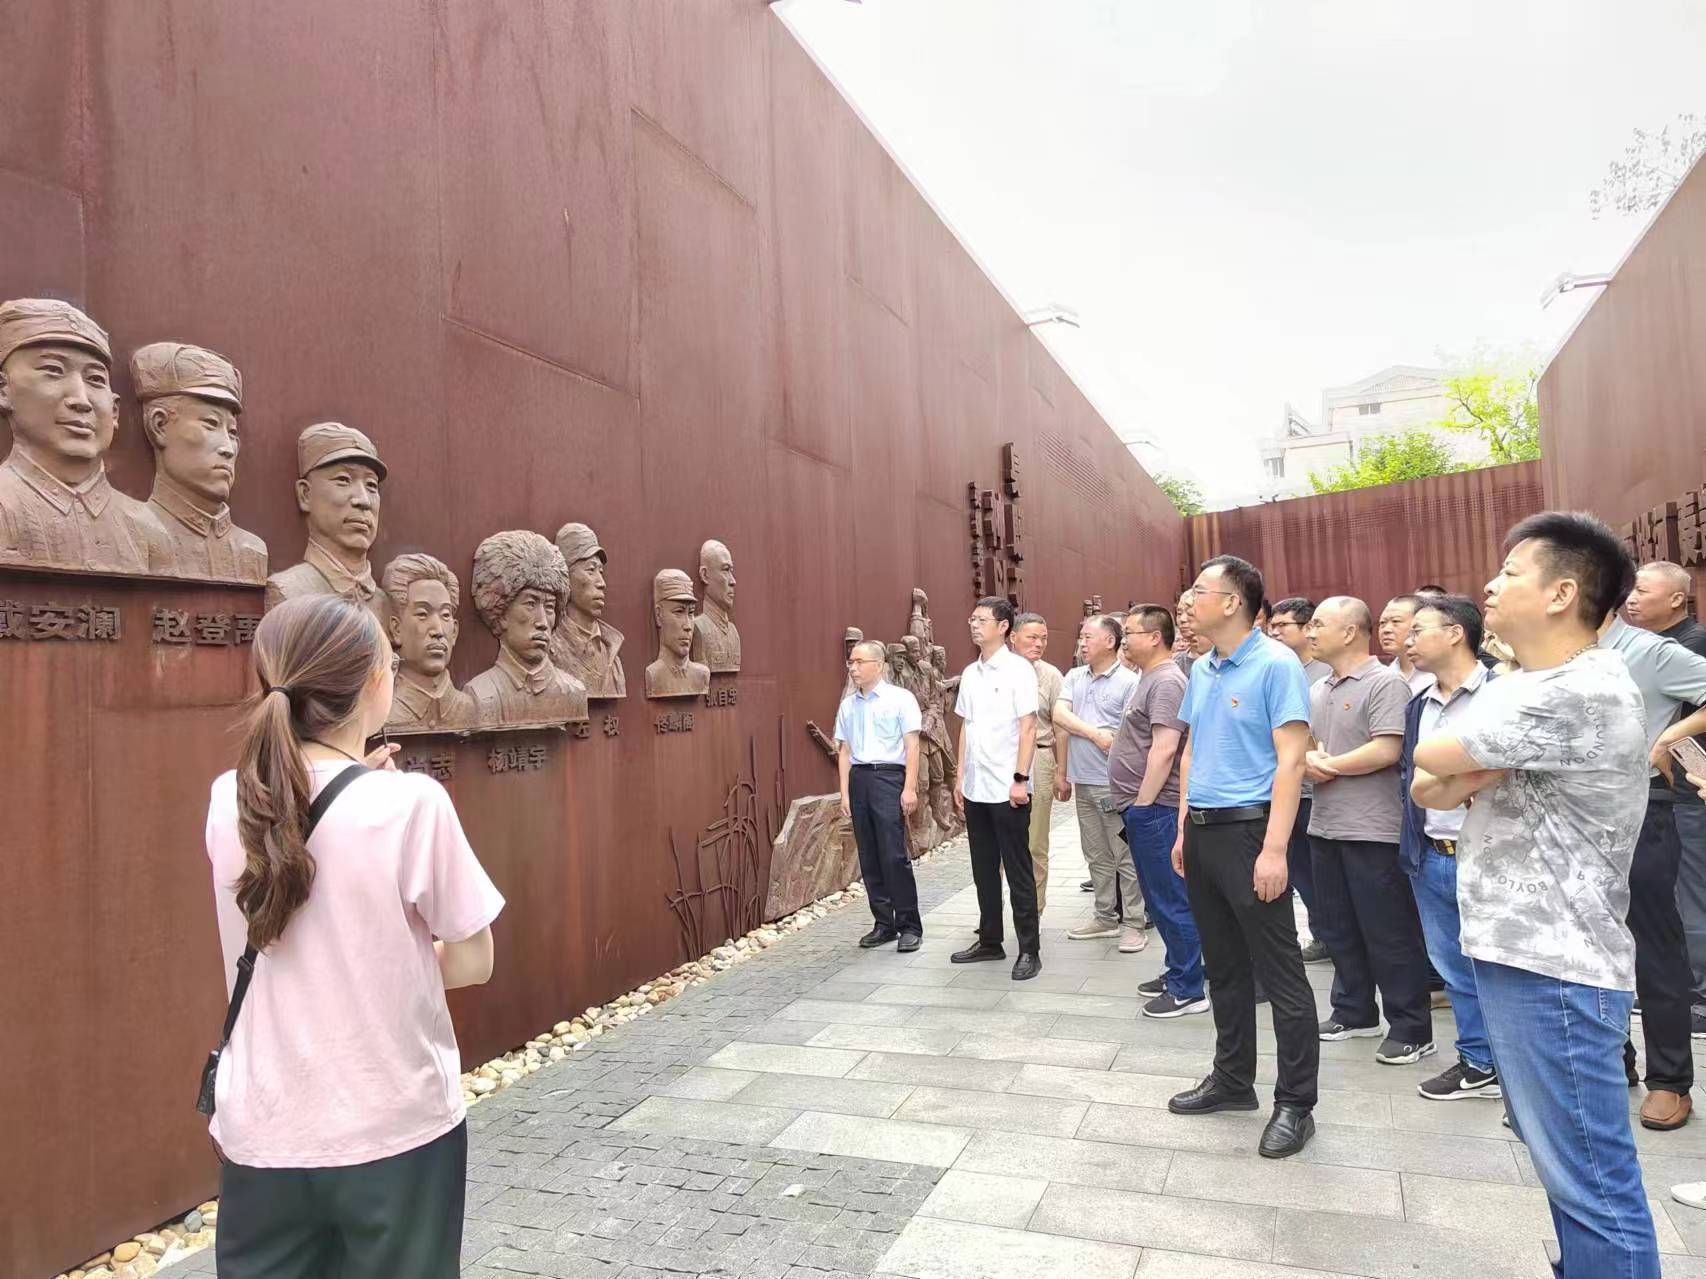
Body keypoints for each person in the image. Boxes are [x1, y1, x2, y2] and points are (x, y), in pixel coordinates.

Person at [205, 593, 503, 1278]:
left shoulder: (229, 800)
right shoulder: (411, 804)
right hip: (394, 1127)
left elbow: (306, 842)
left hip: (264, 1132)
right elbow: (474, 959)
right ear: (375, 683)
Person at [1413, 511, 1658, 1278]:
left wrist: (1463, 764)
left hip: (1556, 965)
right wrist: (1467, 767)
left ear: (1561, 592)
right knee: (1565, 1166)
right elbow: (1430, 787)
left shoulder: (1578, 689)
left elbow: (1429, 751)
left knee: (1591, 1181)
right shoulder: (1536, 684)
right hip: (1524, 953)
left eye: (1511, 571)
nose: (1490, 584)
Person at [1166, 555, 1318, 1159]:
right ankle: (1233, 1080)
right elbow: (1192, 751)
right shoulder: (1201, 667)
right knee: (1223, 967)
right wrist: (1183, 830)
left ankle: (1296, 1103)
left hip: (1253, 833)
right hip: (1203, 833)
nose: (1188, 600)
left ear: (1232, 602)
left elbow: (1292, 761)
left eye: (1199, 591)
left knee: (1280, 974)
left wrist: (1276, 849)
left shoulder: (1277, 665)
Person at [1303, 597, 1433, 1063]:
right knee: (1338, 927)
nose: (1310, 631)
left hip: (1373, 830)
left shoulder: (1385, 684)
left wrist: (1326, 764)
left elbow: (1387, 749)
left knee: (1388, 931)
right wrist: (1311, 759)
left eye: (1319, 623)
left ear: (1352, 631)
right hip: (1326, 825)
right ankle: (1354, 1010)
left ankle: (1411, 1026)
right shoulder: (1319, 689)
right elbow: (1311, 744)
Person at [1599, 602, 1706, 1128]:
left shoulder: (1648, 651)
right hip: (1574, 822)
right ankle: (1611, 1062)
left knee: (1655, 947)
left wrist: (1670, 735)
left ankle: (1671, 1080)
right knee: (1591, 947)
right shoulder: (1552, 659)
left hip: (1642, 815)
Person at [1397, 594, 1501, 1100]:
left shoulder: (1503, 692)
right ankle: (1479, 1061)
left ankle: (1519, 1065)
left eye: (1419, 630)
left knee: (1504, 967)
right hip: (1431, 853)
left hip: (1494, 856)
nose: (1407, 640)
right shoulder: (1419, 703)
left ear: (1456, 632)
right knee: (1454, 969)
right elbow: (1410, 783)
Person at [1111, 605, 1205, 1016]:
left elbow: (1166, 748)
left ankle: (1188, 988)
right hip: (1145, 809)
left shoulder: (1167, 680)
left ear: (1153, 637)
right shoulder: (1149, 678)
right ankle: (1177, 970)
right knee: (1159, 898)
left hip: (1158, 810)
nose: (1123, 639)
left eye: (1129, 632)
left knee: (1171, 899)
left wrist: (1142, 805)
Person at [1625, 559, 1706, 1034]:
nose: (1631, 599)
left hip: (1688, 792)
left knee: (1692, 894)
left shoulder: (1688, 646)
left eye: (1642, 590)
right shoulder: (1643, 648)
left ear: (1676, 598)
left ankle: (1698, 995)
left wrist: (1666, 739)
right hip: (1668, 794)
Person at [953, 596, 1042, 981]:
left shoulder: (1019, 670)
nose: (973, 625)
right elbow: (966, 728)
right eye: (971, 618)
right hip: (976, 787)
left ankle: (1029, 950)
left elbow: (1028, 727)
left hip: (1009, 789)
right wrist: (959, 778)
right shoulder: (971, 673)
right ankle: (990, 939)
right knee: (983, 869)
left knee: (1019, 870)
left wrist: (1021, 779)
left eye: (981, 619)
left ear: (1003, 626)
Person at [1054, 615, 1145, 951]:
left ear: (1110, 641)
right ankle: (1105, 918)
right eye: (1080, 636)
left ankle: (1134, 923)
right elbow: (1059, 715)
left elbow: (1127, 734)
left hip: (1115, 785)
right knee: (1096, 855)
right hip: (1083, 782)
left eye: (1088, 636)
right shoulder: (1074, 676)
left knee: (1125, 856)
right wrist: (1094, 733)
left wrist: (1098, 733)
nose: (1081, 642)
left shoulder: (1130, 682)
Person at [836, 641, 924, 952]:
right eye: (851, 662)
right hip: (859, 779)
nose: (853, 668)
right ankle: (883, 923)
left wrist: (909, 787)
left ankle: (909, 925)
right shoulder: (848, 705)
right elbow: (845, 751)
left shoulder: (900, 699)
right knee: (869, 855)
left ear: (879, 664)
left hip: (889, 777)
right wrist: (845, 793)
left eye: (859, 662)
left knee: (893, 854)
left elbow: (912, 745)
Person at [1267, 597, 1333, 962]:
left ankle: (1331, 935)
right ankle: (1323, 934)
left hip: (1317, 790)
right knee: (1299, 872)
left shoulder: (1324, 674)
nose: (1274, 632)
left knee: (1316, 870)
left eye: (1283, 626)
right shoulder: (1277, 668)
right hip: (1286, 788)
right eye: (1272, 626)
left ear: (1308, 628)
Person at [1011, 613, 1064, 912]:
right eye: (1032, 637)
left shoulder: (1051, 676)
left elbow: (1060, 726)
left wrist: (1062, 771)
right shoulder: (998, 673)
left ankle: (1034, 910)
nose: (1039, 643)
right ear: (1013, 637)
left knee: (1036, 841)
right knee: (1003, 841)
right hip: (1005, 759)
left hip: (1041, 756)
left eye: (1043, 638)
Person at [1378, 595, 1435, 695]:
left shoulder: (1437, 675)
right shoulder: (1382, 676)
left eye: (1395, 621)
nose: (1386, 629)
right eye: (1382, 623)